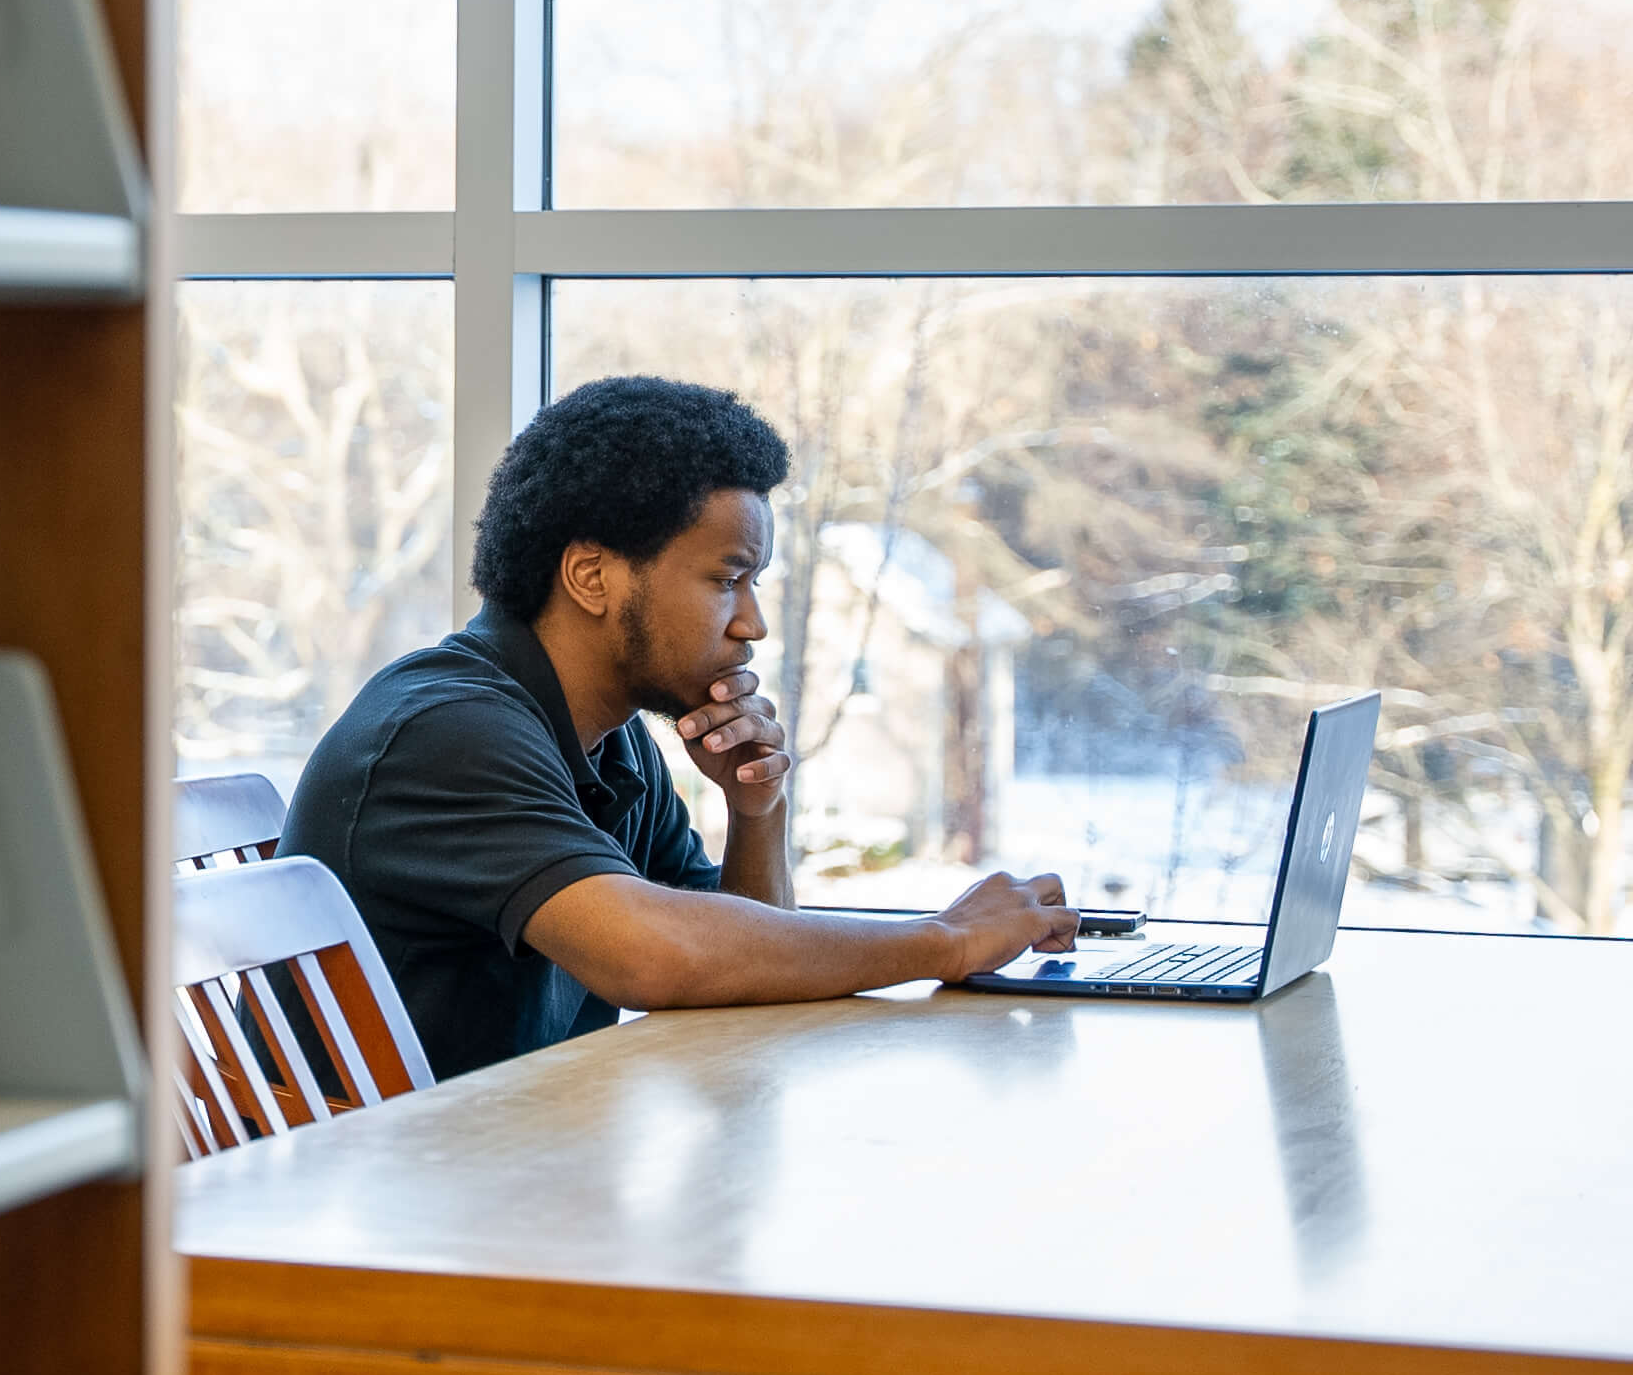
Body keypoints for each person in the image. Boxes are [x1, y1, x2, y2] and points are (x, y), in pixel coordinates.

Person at [282, 374, 1081, 1079]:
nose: (754, 623)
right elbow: (654, 957)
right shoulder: (447, 732)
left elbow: (741, 964)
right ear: (591, 576)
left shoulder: (607, 733)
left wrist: (756, 812)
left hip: (515, 1153)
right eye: (726, 580)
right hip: (382, 1193)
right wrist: (943, 942)